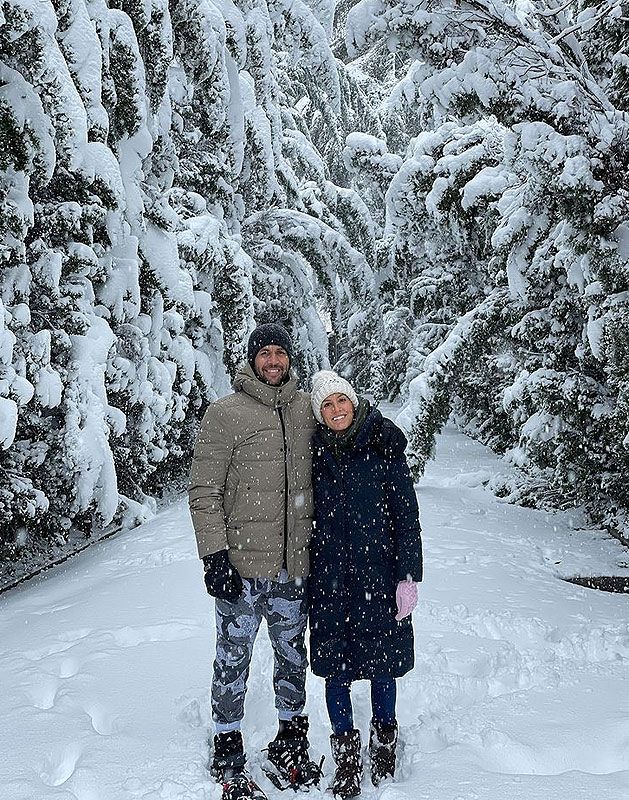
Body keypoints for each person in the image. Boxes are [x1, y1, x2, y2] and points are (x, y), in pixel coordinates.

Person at [188, 323, 322, 800]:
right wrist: (214, 556)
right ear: (252, 358)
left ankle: (291, 739)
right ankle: (227, 744)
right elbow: (204, 491)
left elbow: (352, 423)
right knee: (233, 658)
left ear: (290, 358)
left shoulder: (308, 408)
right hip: (241, 570)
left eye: (279, 352)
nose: (272, 361)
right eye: (263, 352)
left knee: (293, 657)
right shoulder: (225, 414)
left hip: (293, 568)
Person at [308, 370, 423, 799]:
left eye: (342, 400)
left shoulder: (382, 446)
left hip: (379, 575)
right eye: (327, 405)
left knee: (382, 665)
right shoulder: (314, 452)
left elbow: (407, 519)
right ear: (319, 414)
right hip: (331, 581)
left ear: (353, 402)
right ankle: (347, 757)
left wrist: (407, 576)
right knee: (334, 670)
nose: (337, 410)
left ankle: (385, 740)